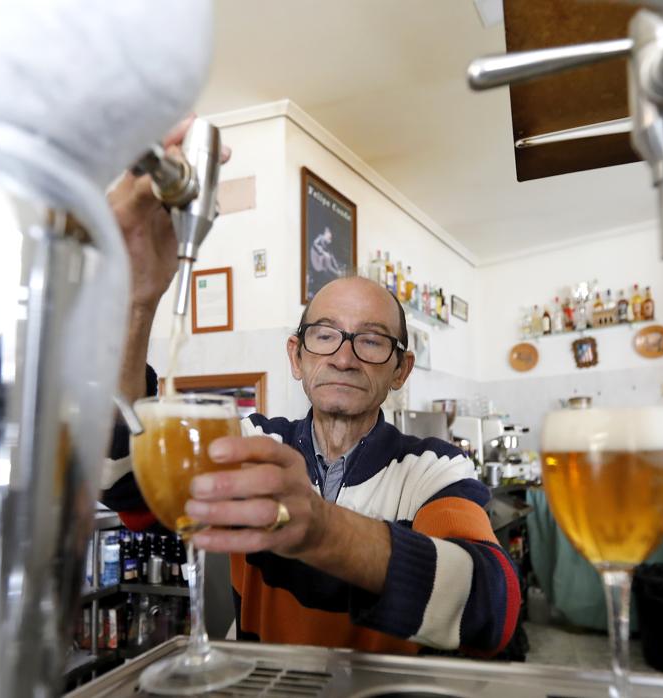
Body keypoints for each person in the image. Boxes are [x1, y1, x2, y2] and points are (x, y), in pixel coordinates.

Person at [101, 118, 521, 656]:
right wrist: (135, 302)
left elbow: (492, 609)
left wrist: (318, 530)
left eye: (371, 341)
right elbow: (123, 483)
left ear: (401, 370)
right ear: (296, 358)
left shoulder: (434, 470)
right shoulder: (252, 443)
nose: (344, 357)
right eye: (325, 336)